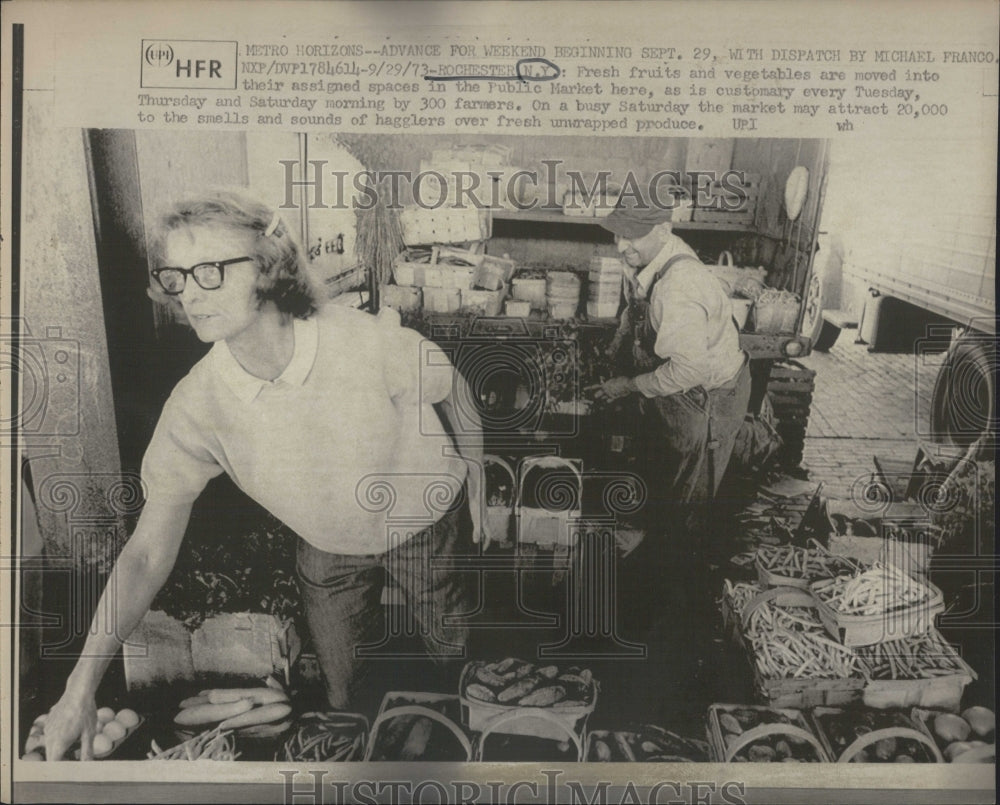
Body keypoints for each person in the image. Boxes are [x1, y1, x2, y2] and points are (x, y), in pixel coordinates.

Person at [44, 188, 487, 760]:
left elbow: (456, 388)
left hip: (429, 520)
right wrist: (78, 688)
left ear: (268, 265)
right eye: (177, 276)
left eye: (211, 271)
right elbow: (147, 555)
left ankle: (465, 751)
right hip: (328, 547)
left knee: (456, 664)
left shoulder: (363, 342)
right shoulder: (197, 406)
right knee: (345, 697)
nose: (190, 296)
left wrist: (477, 478)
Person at [590, 192, 752, 563]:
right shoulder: (652, 260)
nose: (620, 245)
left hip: (708, 400)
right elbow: (635, 312)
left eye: (631, 235)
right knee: (666, 484)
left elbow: (688, 369)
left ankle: (676, 584)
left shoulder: (680, 286)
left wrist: (628, 386)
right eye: (617, 234)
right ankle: (655, 553)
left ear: (663, 229)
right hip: (680, 391)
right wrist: (615, 349)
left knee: (689, 506)